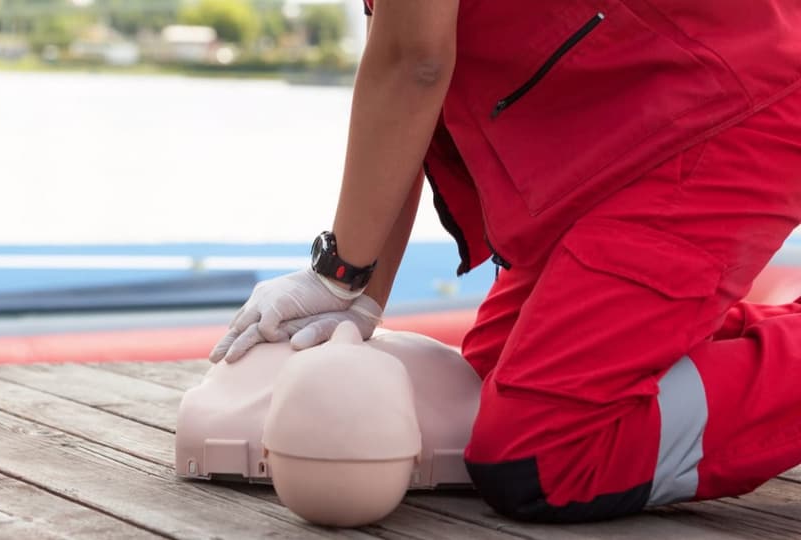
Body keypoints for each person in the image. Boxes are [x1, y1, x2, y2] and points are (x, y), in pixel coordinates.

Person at [210, 0, 801, 523]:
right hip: (633, 133)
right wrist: (357, 297)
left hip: (718, 112)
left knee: (541, 454)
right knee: (485, 383)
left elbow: (414, 64)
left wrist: (337, 274)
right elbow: (398, 69)